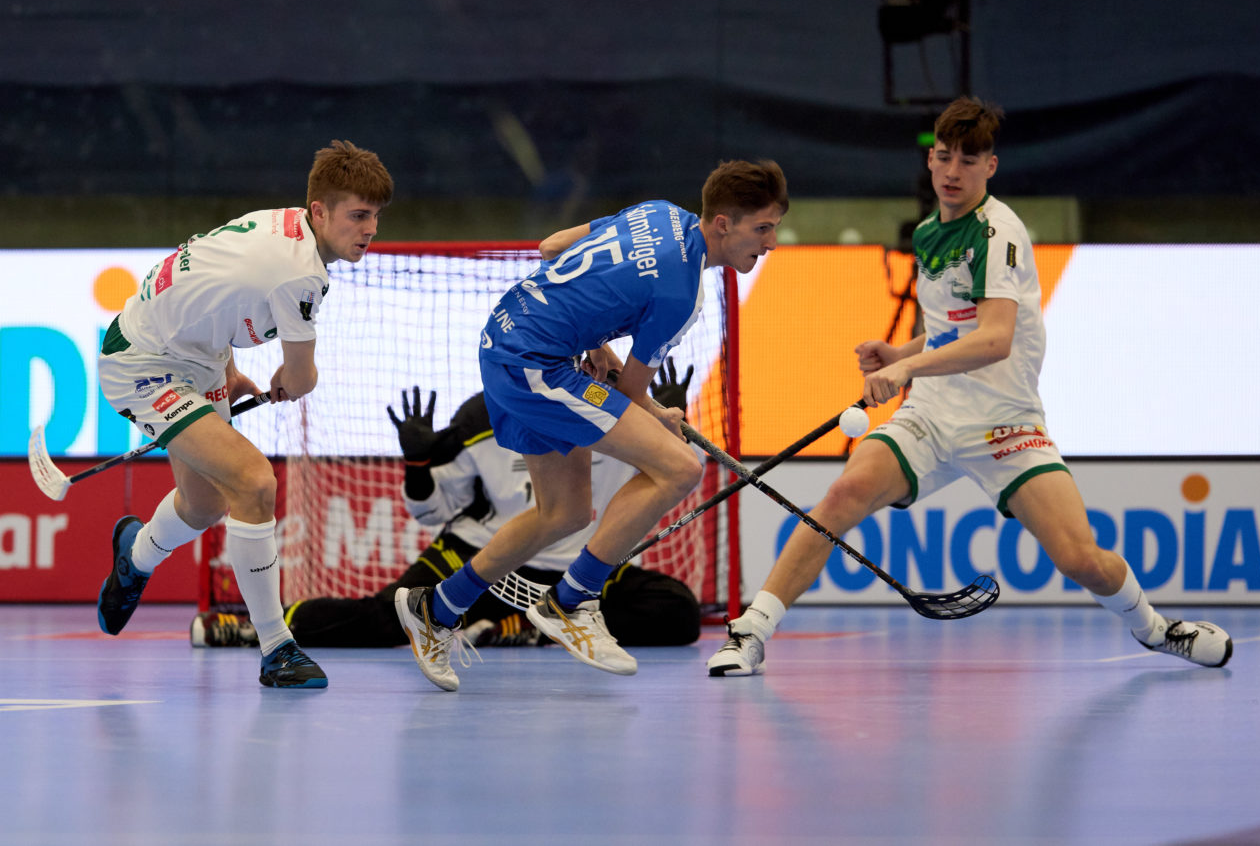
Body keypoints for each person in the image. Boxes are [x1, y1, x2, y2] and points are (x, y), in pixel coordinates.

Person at [708, 97, 1233, 677]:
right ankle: (750, 632)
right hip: (932, 415)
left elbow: (994, 340)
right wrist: (900, 351)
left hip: (1006, 424)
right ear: (930, 162)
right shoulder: (933, 230)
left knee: (1081, 558)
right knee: (839, 498)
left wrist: (904, 371)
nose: (952, 171)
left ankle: (1157, 631)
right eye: (943, 157)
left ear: (991, 166)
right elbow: (948, 327)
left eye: (968, 159)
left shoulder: (996, 234)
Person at [395, 159, 789, 690]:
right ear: (723, 223)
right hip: (535, 362)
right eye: (761, 228)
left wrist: (594, 341)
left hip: (505, 337)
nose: (769, 243)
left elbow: (552, 246)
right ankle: (571, 601)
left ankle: (437, 608)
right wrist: (661, 415)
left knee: (565, 513)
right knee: (677, 467)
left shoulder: (658, 213)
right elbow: (630, 393)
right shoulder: (681, 296)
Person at [95, 140, 394, 689]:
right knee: (255, 483)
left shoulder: (281, 222)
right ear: (321, 211)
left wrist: (227, 367)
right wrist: (288, 378)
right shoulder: (299, 273)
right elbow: (300, 378)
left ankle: (132, 556)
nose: (370, 229)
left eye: (375, 216)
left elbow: (211, 290)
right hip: (142, 363)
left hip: (196, 355)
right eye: (358, 215)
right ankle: (277, 648)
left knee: (205, 503)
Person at [189, 365, 703, 651]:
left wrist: (672, 428)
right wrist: (418, 464)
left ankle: (531, 628)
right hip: (484, 558)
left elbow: (670, 476)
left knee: (678, 614)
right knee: (387, 619)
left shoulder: (624, 411)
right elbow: (434, 512)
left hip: (581, 568)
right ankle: (258, 626)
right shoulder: (483, 413)